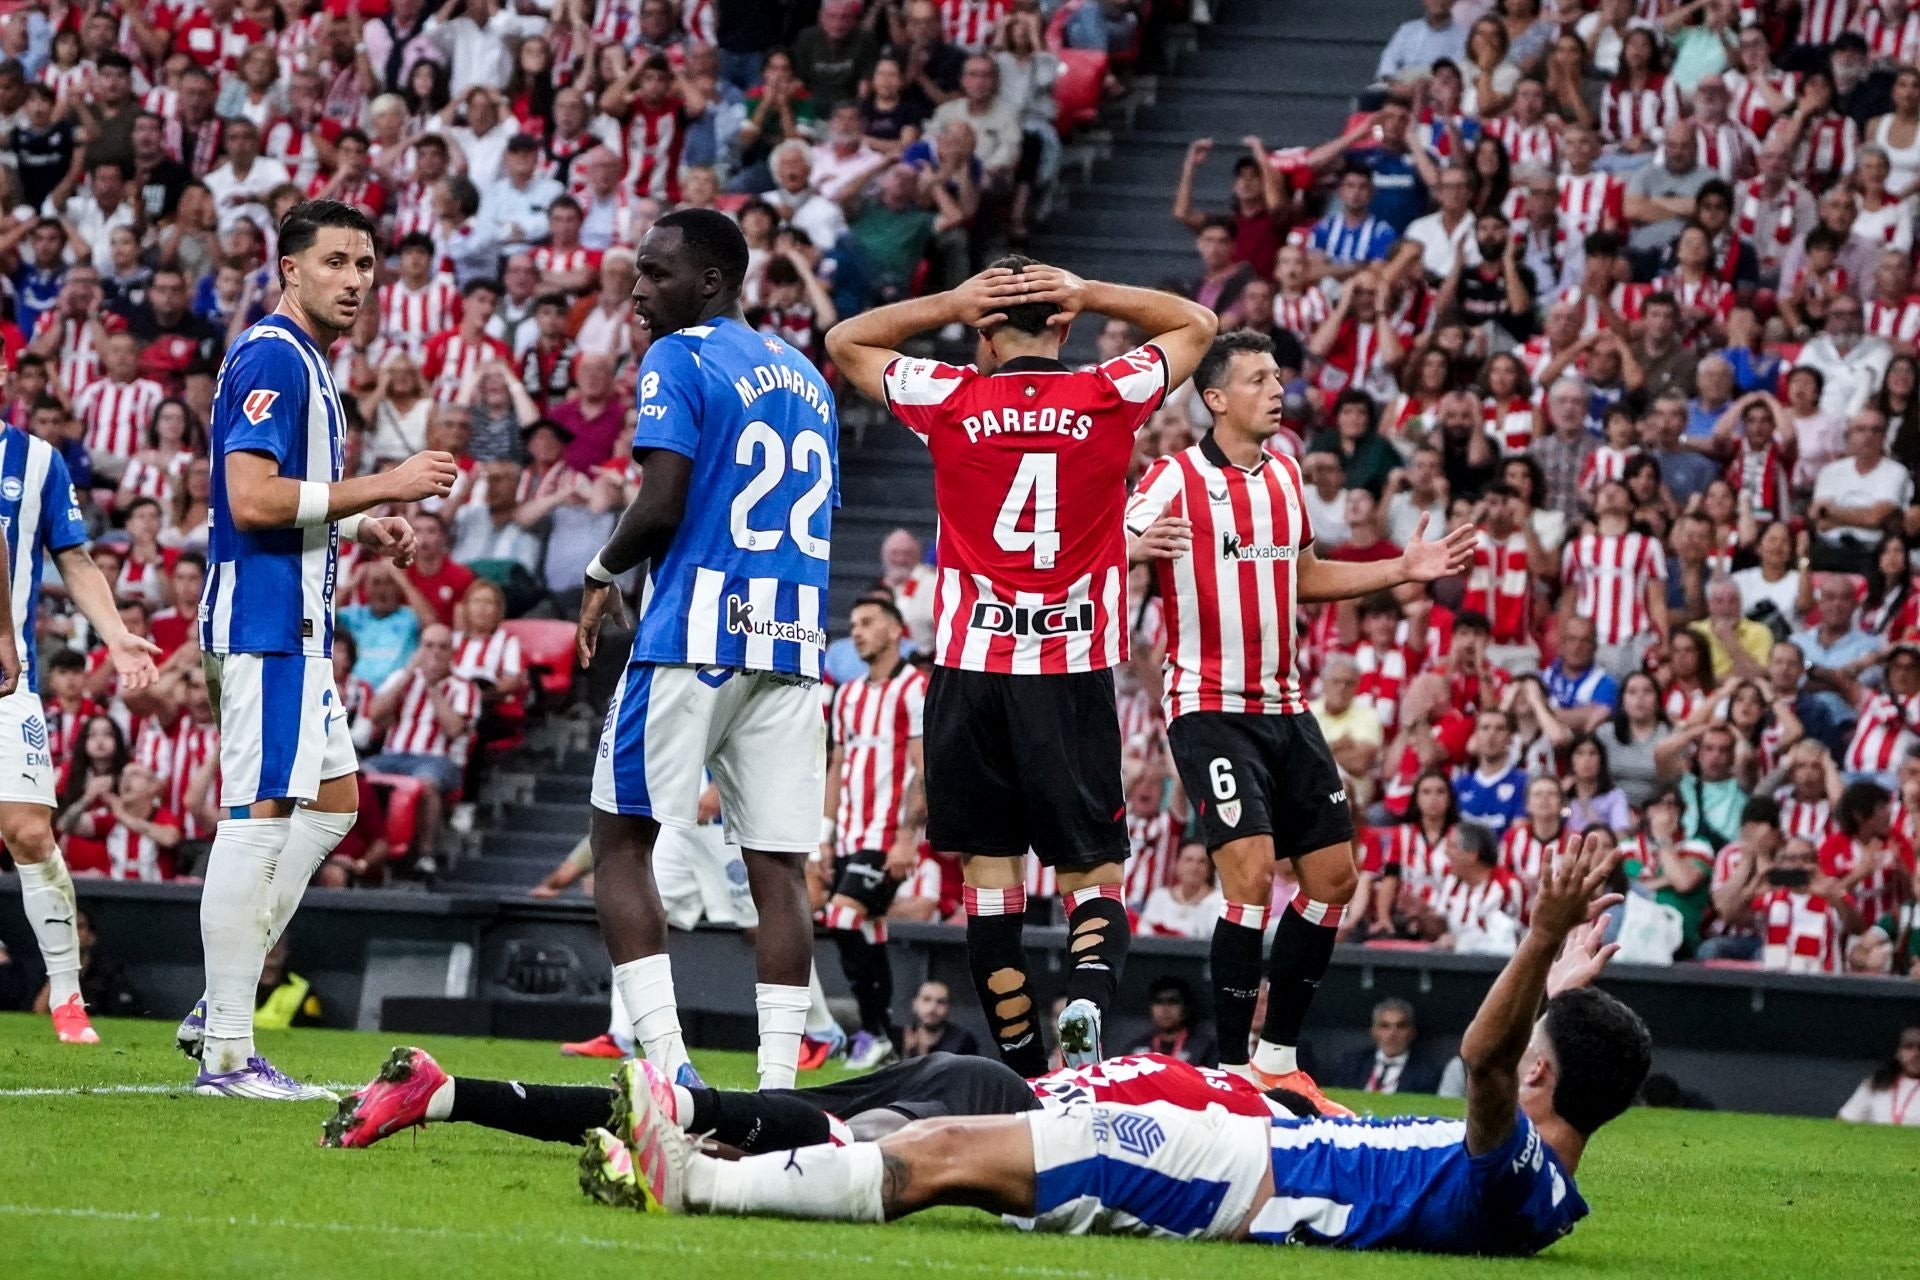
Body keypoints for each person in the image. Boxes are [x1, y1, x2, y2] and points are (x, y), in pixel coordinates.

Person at [601, 833, 1651, 1261]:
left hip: (1235, 1172)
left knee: (954, 1152)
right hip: (1239, 1150)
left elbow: (1482, 1056)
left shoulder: (1513, 1161)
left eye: (1538, 1046)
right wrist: (1557, 987)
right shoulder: (1545, 1180)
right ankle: (720, 1165)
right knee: (969, 1135)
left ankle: (699, 1181)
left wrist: (1542, 935)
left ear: (1543, 1071)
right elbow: (1513, 1054)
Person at [825, 259, 1215, 1076]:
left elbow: (844, 340)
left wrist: (947, 302)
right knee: (1094, 874)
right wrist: (1097, 288)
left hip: (970, 673)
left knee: (990, 887)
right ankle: (1083, 1001)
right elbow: (1197, 326)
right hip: (1070, 671)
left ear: (982, 330)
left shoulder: (950, 398)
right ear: (1065, 327)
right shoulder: (1108, 393)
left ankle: (1027, 1078)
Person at [1124, 329, 1474, 1112]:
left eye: (1278, 377)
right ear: (1215, 399)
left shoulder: (1285, 476)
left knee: (1334, 879)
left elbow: (1304, 575)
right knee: (1248, 876)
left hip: (1285, 705)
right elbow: (1102, 543)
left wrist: (1400, 568)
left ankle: (1276, 1057)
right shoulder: (1174, 476)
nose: (1276, 390)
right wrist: (1133, 544)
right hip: (1208, 705)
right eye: (1256, 379)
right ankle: (1228, 1074)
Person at [181, 200, 457, 1100]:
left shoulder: (306, 362)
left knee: (334, 803)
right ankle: (227, 1046)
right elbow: (251, 498)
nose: (354, 280)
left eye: (366, 265)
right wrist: (390, 481)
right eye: (335, 261)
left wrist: (362, 521)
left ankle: (219, 995)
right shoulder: (270, 353)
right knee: (258, 814)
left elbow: (288, 501)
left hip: (296, 624)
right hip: (265, 624)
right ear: (289, 269)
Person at [574, 209, 838, 1093]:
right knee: (777, 867)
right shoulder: (806, 375)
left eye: (655, 273)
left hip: (695, 634)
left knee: (620, 842)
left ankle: (668, 1068)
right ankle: (776, 1091)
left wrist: (599, 569)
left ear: (714, 283)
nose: (638, 290)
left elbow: (662, 501)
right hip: (794, 638)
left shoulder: (679, 358)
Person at [0, 372, 164, 1043]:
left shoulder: (36, 459)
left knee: (30, 831)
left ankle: (66, 992)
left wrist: (115, 634)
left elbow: (74, 559)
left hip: (9, 683)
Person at [819, 597, 927, 1072]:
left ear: (894, 631)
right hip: (848, 833)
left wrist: (908, 836)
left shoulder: (915, 688)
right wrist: (824, 836)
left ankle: (872, 1031)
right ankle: (885, 1038)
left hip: (887, 835)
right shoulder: (847, 695)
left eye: (867, 623)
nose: (856, 631)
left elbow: (926, 769)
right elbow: (837, 767)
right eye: (853, 623)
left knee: (842, 919)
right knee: (866, 926)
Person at [1329, 998, 1445, 1095]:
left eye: (1401, 1026)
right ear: (1373, 1031)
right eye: (1385, 1026)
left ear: (1412, 1032)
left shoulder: (1426, 1073)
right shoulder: (1353, 1064)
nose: (1392, 1034)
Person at [1124, 976, 1218, 1067]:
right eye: (1159, 1002)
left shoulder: (1205, 1048)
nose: (1165, 1009)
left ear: (1185, 1009)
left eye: (1173, 1002)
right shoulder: (1135, 1049)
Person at [1837, 1027, 1920, 1126]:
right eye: (1908, 1047)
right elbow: (1844, 1121)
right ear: (1898, 1052)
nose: (1916, 1054)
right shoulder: (1875, 1084)